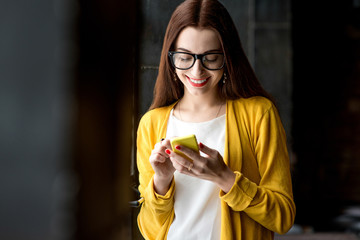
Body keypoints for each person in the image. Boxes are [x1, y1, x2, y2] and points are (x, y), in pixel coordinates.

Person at [136, 0, 296, 239]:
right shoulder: (152, 123)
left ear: (227, 58)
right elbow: (149, 230)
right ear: (171, 58)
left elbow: (282, 217)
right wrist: (162, 180)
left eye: (210, 58)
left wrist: (225, 178)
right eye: (185, 57)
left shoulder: (258, 114)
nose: (197, 71)